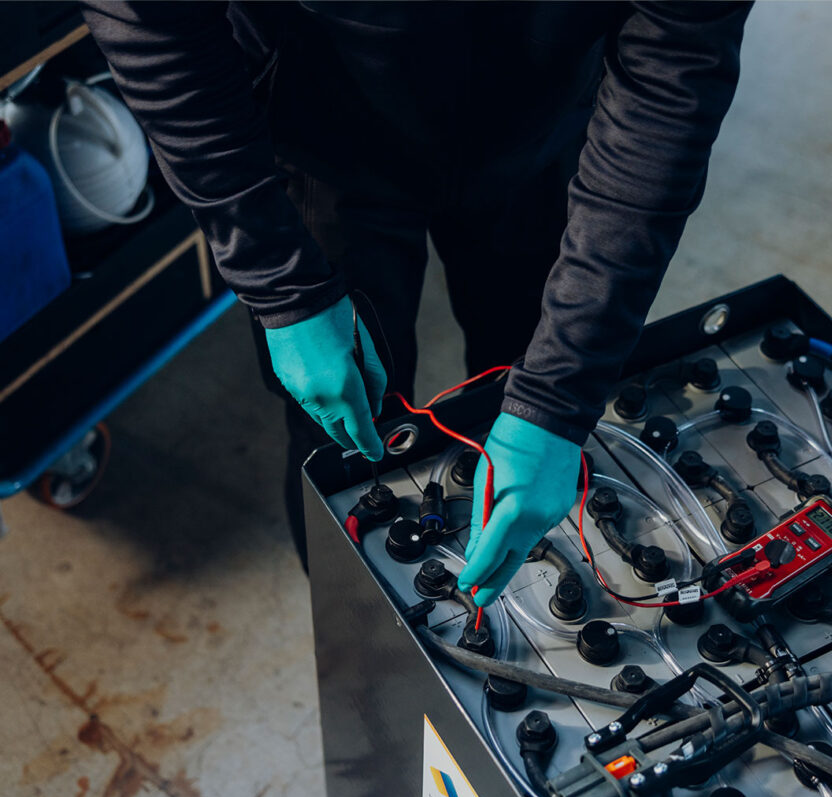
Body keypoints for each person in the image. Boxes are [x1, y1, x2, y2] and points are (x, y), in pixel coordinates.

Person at [82, 1, 752, 606]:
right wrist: (282, 286)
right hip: (323, 132)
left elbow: (677, 70)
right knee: (345, 439)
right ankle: (361, 642)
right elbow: (147, 19)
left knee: (531, 407)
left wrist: (558, 396)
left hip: (540, 125)